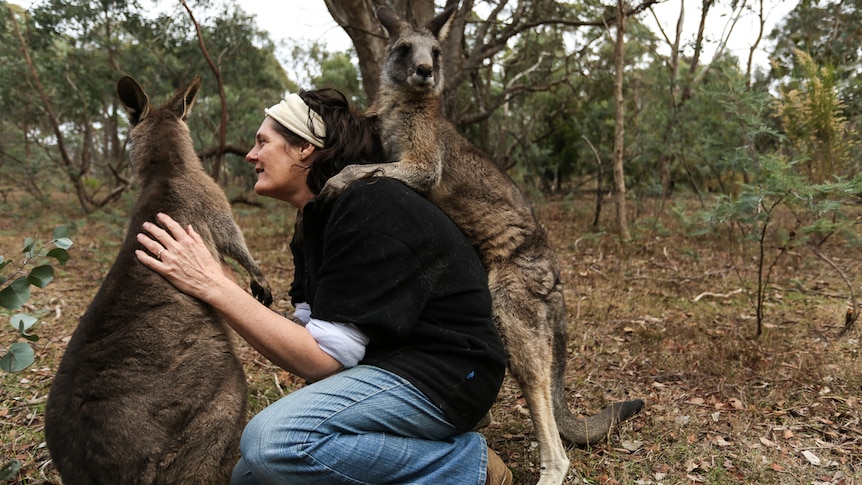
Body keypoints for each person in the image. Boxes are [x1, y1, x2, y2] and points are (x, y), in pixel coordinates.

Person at [135, 88, 512, 485]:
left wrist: (215, 285)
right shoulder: (313, 223)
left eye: (263, 142)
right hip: (387, 368)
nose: (250, 154)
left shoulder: (368, 202)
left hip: (448, 376)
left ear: (304, 148)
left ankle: (467, 466)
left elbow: (323, 360)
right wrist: (223, 286)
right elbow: (308, 342)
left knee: (273, 442)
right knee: (248, 477)